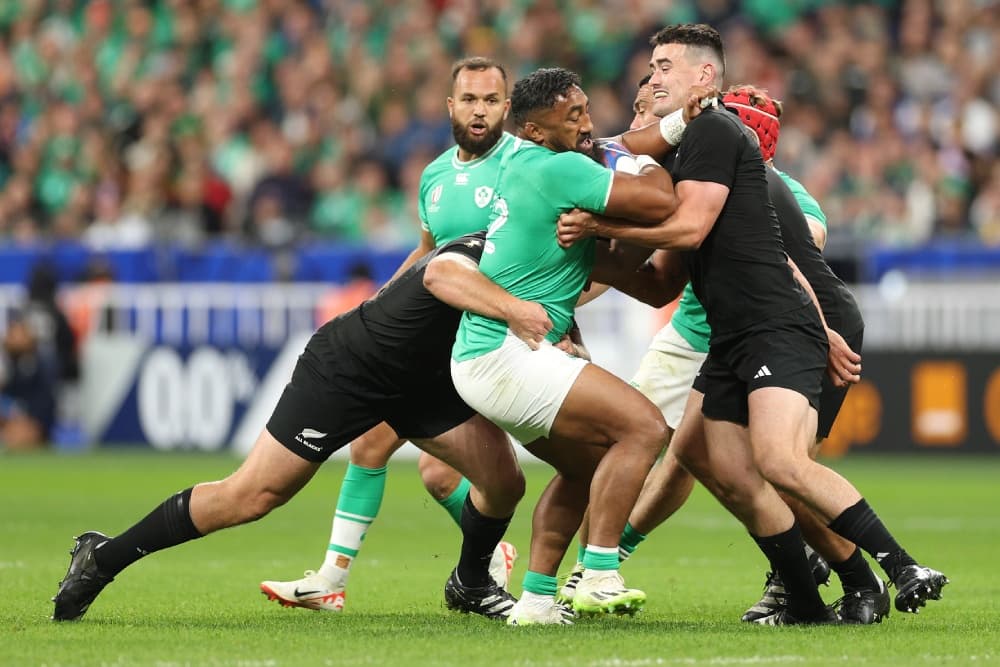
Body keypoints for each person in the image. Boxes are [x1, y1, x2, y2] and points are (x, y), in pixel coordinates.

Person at [557, 23, 947, 625]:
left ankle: (889, 570)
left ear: (704, 79)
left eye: (663, 67)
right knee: (719, 464)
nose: (651, 78)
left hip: (774, 323)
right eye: (649, 71)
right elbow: (666, 278)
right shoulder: (689, 155)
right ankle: (803, 594)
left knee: (782, 465)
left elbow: (770, 245)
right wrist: (594, 250)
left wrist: (822, 328)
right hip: (738, 330)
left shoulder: (714, 135)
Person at [52, 231, 549, 622]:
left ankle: (471, 582)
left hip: (426, 378)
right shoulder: (486, 215)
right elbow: (436, 268)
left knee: (504, 481)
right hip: (353, 364)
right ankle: (102, 558)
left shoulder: (564, 241)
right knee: (251, 496)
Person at [259, 57, 520, 613]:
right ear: (451, 106)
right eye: (469, 99)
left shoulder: (524, 167)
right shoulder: (436, 175)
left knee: (415, 458)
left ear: (507, 106)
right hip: (432, 338)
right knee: (410, 460)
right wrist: (379, 306)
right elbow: (428, 255)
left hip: (486, 337)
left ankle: (522, 565)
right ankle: (485, 562)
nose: (479, 110)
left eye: (491, 100)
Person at [446, 67, 683, 625]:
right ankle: (599, 572)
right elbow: (658, 201)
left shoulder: (525, 164)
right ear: (533, 130)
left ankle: (534, 601)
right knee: (645, 427)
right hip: (505, 352)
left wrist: (602, 225)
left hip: (485, 356)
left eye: (585, 111)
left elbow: (636, 277)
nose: (587, 126)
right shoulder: (560, 170)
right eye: (571, 116)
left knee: (588, 465)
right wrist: (645, 158)